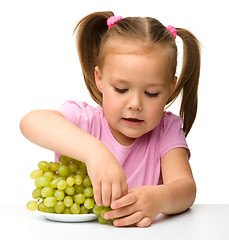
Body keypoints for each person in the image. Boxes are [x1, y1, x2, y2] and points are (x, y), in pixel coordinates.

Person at [20, 11, 201, 227]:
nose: (135, 103)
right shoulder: (85, 120)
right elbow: (30, 122)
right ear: (100, 79)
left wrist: (159, 199)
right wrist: (94, 152)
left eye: (152, 93)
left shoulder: (166, 130)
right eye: (121, 89)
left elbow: (186, 189)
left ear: (170, 89)